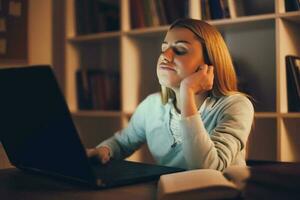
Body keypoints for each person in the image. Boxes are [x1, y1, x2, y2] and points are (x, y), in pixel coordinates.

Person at [87, 18, 254, 171]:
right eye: (163, 48)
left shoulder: (236, 106)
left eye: (180, 50)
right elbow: (122, 143)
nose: (164, 56)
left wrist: (187, 91)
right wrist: (103, 150)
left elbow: (207, 168)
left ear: (209, 64)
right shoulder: (151, 106)